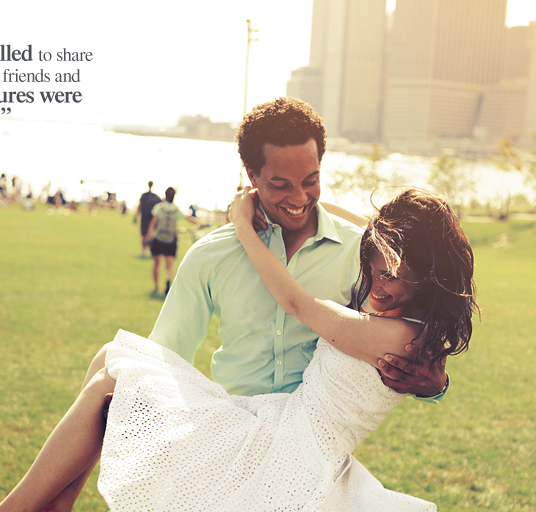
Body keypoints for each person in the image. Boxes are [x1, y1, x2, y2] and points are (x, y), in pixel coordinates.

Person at [0, 188, 478, 512]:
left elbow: (297, 302)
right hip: (280, 428)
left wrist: (245, 226)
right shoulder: (411, 324)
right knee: (112, 361)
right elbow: (377, 234)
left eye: (401, 276)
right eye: (377, 265)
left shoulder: (398, 334)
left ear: (433, 280)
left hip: (287, 450)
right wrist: (304, 200)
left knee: (115, 370)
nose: (382, 282)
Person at [150, 97, 448, 399]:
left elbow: (409, 342)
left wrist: (435, 386)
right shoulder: (211, 255)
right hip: (233, 427)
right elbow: (166, 353)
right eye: (281, 185)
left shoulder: (360, 253)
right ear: (252, 175)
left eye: (311, 180)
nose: (298, 198)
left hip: (316, 432)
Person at [146, 187, 199, 296]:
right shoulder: (176, 209)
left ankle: (156, 286)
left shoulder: (159, 208)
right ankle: (168, 280)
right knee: (169, 265)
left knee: (156, 264)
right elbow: (188, 218)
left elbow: (153, 222)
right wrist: (201, 223)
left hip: (158, 238)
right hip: (170, 241)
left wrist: (148, 235)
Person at [135, 181, 162, 258]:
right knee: (150, 235)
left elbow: (139, 205)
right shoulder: (155, 197)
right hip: (152, 218)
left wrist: (136, 215)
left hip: (145, 217)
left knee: (144, 235)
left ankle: (144, 251)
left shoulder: (144, 195)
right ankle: (150, 251)